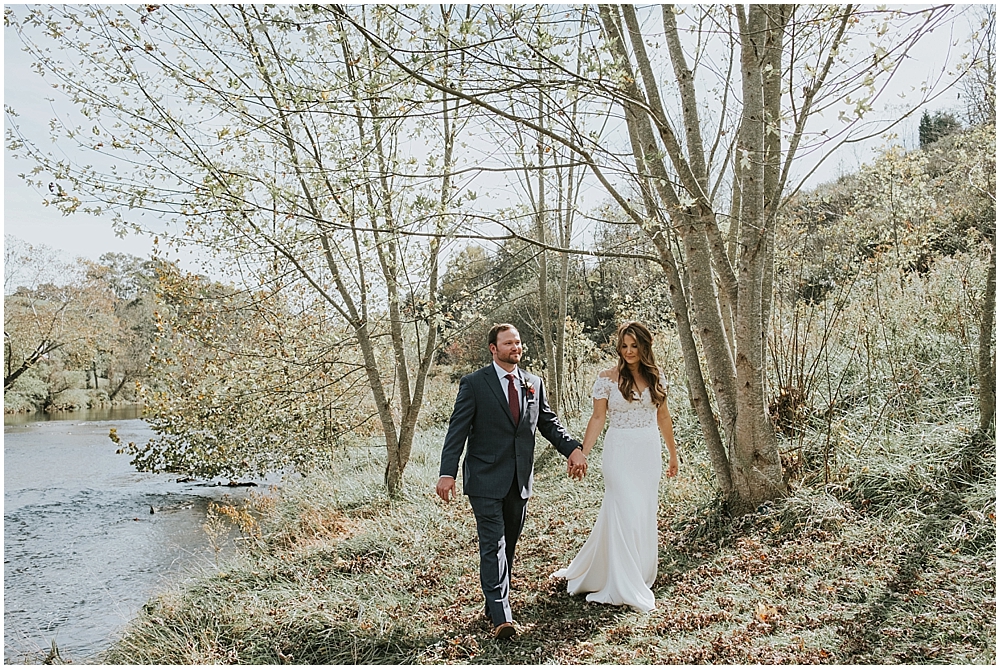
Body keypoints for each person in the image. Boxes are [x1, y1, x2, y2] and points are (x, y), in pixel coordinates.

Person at [437, 323, 587, 640]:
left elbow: (548, 423)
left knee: (509, 545)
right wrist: (447, 472)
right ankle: (503, 618)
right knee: (494, 545)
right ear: (493, 348)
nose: (515, 347)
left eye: (518, 342)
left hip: (519, 481)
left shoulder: (533, 383)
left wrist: (572, 449)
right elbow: (457, 431)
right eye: (508, 343)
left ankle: (493, 605)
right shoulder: (475, 384)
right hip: (484, 479)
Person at [551, 321, 679, 612]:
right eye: (624, 346)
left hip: (647, 451)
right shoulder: (607, 378)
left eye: (634, 345)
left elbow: (663, 418)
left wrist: (673, 454)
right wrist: (581, 452)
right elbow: (598, 418)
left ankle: (638, 571)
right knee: (622, 508)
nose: (629, 351)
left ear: (645, 346)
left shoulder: (657, 377)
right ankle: (621, 581)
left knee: (642, 511)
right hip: (619, 450)